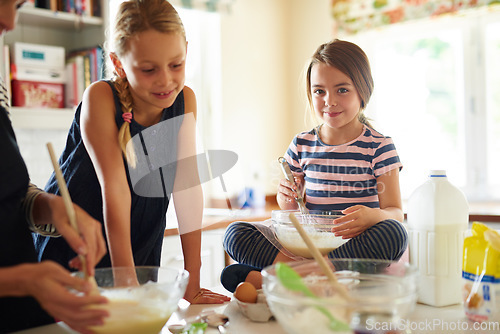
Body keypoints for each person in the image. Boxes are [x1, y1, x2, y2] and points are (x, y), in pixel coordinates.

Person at [33, 0, 230, 304]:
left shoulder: (183, 101)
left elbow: (187, 188)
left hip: (139, 250)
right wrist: (124, 278)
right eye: (149, 69)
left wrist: (192, 279)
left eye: (175, 65)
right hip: (74, 254)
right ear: (118, 63)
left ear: (187, 51)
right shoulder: (100, 99)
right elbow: (116, 191)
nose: (165, 80)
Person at [221, 39, 408, 292]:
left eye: (342, 90)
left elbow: (395, 211)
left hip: (355, 246)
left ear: (363, 91)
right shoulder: (301, 144)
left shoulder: (379, 146)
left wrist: (375, 216)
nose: (329, 101)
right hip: (306, 245)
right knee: (234, 233)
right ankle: (312, 277)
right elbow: (291, 209)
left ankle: (289, 277)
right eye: (319, 91)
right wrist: (288, 195)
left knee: (393, 233)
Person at [0, 1, 109, 333]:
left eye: (16, 4)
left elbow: (10, 199)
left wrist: (50, 207)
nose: (9, 20)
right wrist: (21, 280)